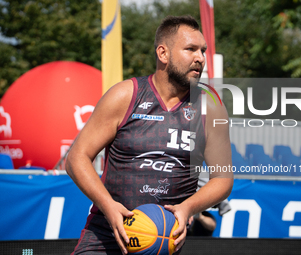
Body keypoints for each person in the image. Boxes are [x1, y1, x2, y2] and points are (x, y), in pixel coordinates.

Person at [66, 15, 233, 255]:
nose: (200, 58)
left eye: (203, 51)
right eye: (191, 49)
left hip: (163, 244)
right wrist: (109, 206)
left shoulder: (210, 107)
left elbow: (223, 179)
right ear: (163, 54)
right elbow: (77, 157)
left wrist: (187, 209)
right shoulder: (125, 96)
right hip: (106, 237)